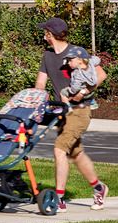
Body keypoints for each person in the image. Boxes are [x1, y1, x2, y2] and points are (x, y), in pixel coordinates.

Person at [35, 17, 109, 211]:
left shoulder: (76, 52)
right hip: (62, 112)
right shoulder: (48, 57)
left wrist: (83, 92)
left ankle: (59, 199)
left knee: (60, 149)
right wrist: (39, 96)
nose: (44, 36)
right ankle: (99, 188)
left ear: (51, 34)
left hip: (80, 111)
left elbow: (101, 75)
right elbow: (41, 83)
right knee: (76, 154)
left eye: (46, 32)